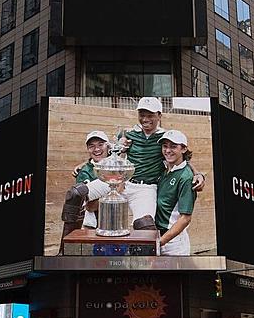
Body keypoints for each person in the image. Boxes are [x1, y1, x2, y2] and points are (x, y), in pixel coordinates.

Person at [62, 98, 206, 238]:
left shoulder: (165, 138)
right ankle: (64, 246)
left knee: (145, 225)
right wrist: (84, 164)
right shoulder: (128, 134)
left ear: (159, 116)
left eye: (150, 115)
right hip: (120, 180)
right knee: (75, 194)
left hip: (146, 188)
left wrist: (198, 174)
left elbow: (183, 158)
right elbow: (105, 153)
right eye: (142, 115)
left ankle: (144, 259)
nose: (145, 119)